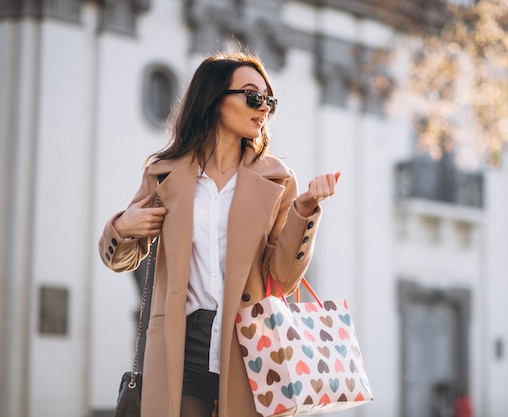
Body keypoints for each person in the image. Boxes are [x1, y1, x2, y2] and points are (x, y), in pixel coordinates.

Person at [98, 52, 340, 417]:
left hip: (251, 345)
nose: (264, 108)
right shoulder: (164, 174)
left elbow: (284, 278)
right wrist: (122, 228)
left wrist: (304, 210)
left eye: (269, 101)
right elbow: (120, 259)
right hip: (181, 344)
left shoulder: (277, 181)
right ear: (214, 101)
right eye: (253, 96)